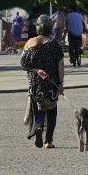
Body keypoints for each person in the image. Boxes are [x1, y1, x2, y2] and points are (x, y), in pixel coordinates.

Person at [21, 15, 65, 148]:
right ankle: (48, 141)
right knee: (52, 111)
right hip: (51, 84)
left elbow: (23, 64)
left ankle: (38, 127)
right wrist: (60, 84)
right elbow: (61, 65)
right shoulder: (55, 44)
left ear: (38, 27)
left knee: (37, 109)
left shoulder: (30, 43)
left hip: (35, 84)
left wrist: (36, 70)